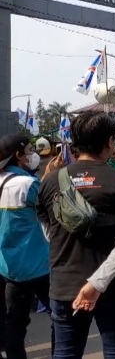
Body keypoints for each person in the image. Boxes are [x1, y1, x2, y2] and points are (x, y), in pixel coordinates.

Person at [36, 112, 115, 357]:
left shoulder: (50, 181)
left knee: (65, 353)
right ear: (109, 142)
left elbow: (48, 230)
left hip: (66, 286)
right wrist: (97, 284)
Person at [0, 135, 54, 359]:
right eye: (30, 150)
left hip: (9, 268)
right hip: (39, 266)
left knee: (15, 324)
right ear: (18, 156)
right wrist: (50, 177)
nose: (34, 155)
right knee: (62, 318)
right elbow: (51, 204)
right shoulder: (27, 184)